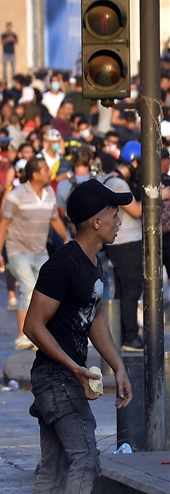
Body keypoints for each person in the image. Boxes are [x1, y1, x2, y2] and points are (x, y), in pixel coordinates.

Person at [18, 179, 133, 494]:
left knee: (52, 470)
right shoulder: (62, 265)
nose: (119, 220)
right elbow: (33, 325)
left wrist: (117, 365)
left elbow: (93, 316)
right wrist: (74, 367)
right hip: (56, 380)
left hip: (62, 378)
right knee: (85, 458)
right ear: (96, 221)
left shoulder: (92, 263)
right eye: (115, 214)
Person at [0, 157, 70, 350]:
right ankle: (22, 335)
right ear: (35, 174)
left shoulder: (50, 193)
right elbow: (4, 224)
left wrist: (66, 237)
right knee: (28, 288)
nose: (49, 172)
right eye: (46, 169)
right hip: (17, 250)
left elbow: (54, 218)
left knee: (48, 292)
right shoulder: (17, 195)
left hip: (40, 251)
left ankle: (41, 333)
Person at [101, 143, 144, 352]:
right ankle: (131, 336)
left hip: (120, 243)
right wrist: (159, 196)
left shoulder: (111, 179)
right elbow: (135, 211)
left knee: (123, 290)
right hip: (126, 243)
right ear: (133, 161)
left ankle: (120, 334)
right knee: (131, 289)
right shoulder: (117, 183)